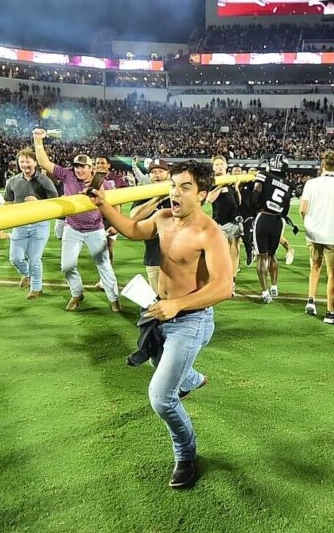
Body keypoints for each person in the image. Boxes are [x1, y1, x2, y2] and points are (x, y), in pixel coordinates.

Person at [90, 160, 232, 489]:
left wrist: (177, 304)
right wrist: (103, 205)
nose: (175, 193)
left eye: (185, 187)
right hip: (160, 310)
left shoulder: (210, 233)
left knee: (161, 397)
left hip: (192, 319)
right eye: (172, 185)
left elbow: (224, 287)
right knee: (161, 363)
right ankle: (193, 379)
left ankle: (186, 456)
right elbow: (132, 230)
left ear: (203, 193)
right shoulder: (163, 218)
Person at [32, 128, 121, 312]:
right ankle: (77, 293)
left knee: (104, 265)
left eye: (83, 167)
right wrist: (38, 140)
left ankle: (114, 299)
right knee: (67, 266)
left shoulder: (102, 182)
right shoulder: (67, 174)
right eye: (77, 166)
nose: (79, 170)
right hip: (72, 228)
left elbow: (115, 203)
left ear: (91, 168)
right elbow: (43, 162)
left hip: (95, 229)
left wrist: (114, 224)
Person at [300, 150, 334, 323]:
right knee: (332, 273)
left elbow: (302, 210)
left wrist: (310, 223)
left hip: (313, 233)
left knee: (314, 267)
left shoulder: (311, 183)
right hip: (332, 234)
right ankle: (330, 312)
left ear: (322, 164)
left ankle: (311, 300)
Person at [4, 148, 58, 298]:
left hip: (39, 225)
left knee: (34, 260)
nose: (24, 164)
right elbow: (7, 202)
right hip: (19, 225)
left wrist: (38, 202)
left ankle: (36, 288)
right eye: (21, 161)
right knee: (15, 258)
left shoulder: (44, 180)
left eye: (27, 161)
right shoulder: (12, 181)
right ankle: (26, 274)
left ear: (35, 162)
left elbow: (55, 202)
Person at [251, 153, 295, 303]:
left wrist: (254, 210)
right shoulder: (288, 184)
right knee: (272, 255)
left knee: (262, 256)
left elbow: (254, 196)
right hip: (278, 221)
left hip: (263, 217)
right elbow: (286, 209)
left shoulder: (263, 175)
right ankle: (274, 286)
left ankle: (265, 292)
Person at [130, 158, 173, 291]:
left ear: (168, 174)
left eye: (160, 171)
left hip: (179, 255)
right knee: (157, 296)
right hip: (154, 255)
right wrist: (157, 199)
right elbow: (134, 216)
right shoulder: (145, 194)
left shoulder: (177, 193)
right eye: (153, 172)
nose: (157, 175)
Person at [207, 155, 243, 286]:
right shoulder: (212, 182)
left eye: (221, 164)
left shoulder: (231, 180)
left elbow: (238, 201)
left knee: (235, 250)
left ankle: (232, 280)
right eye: (216, 165)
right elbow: (209, 199)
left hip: (234, 221)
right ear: (213, 168)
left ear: (226, 166)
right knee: (220, 252)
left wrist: (236, 187)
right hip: (220, 222)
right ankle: (219, 278)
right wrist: (220, 185)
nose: (219, 167)